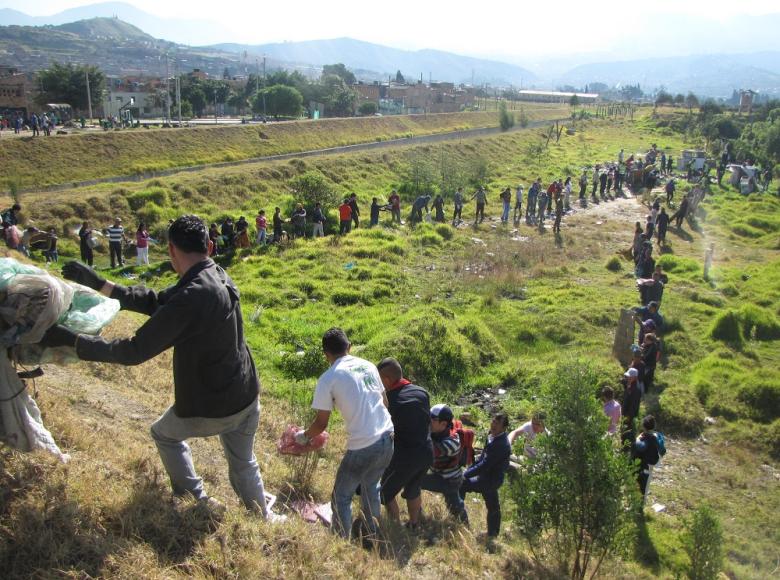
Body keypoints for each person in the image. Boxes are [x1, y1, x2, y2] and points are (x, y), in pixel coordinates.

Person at [40, 216, 281, 520]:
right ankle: (263, 518)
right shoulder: (215, 273)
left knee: (164, 434)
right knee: (244, 462)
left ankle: (194, 498)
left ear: (170, 249)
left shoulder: (194, 294)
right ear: (208, 246)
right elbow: (158, 301)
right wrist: (102, 284)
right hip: (245, 393)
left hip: (215, 404)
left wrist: (74, 342)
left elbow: (133, 351)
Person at [295, 328, 394, 539]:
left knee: (341, 496)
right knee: (370, 488)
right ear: (349, 347)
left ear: (326, 355)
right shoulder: (368, 365)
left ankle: (341, 541)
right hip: (388, 437)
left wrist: (303, 437)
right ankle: (372, 536)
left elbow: (321, 424)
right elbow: (385, 403)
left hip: (364, 444)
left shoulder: (328, 378)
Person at [377, 358, 433, 530]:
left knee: (384, 493)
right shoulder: (422, 392)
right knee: (413, 489)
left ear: (386, 380)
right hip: (427, 451)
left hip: (406, 457)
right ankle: (414, 524)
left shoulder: (389, 401)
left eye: (379, 379)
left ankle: (395, 526)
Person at [459, 412, 511, 538]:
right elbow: (482, 458)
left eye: (497, 424)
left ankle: (460, 520)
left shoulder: (500, 444)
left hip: (490, 479)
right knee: (493, 505)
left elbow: (485, 465)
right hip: (488, 477)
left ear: (504, 428)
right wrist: (470, 468)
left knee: (461, 485)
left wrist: (466, 474)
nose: (493, 425)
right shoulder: (492, 436)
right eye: (493, 421)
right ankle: (493, 534)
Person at [420, 404, 469, 524]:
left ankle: (465, 526)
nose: (429, 421)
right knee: (413, 481)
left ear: (443, 424)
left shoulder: (452, 442)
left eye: (433, 419)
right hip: (441, 476)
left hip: (450, 481)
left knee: (455, 506)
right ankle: (417, 515)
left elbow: (431, 451)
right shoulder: (436, 432)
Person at [631, 415, 665, 502]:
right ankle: (641, 503)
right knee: (645, 487)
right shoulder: (658, 436)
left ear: (643, 426)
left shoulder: (641, 437)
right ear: (654, 426)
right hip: (650, 465)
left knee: (635, 482)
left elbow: (636, 448)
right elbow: (662, 451)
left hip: (640, 464)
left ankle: (634, 502)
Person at [621, 368, 642, 448]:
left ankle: (627, 448)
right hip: (625, 413)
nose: (627, 378)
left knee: (627, 431)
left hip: (628, 415)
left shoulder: (636, 390)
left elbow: (634, 405)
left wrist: (628, 416)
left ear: (635, 378)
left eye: (629, 377)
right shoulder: (630, 384)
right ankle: (624, 446)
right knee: (624, 431)